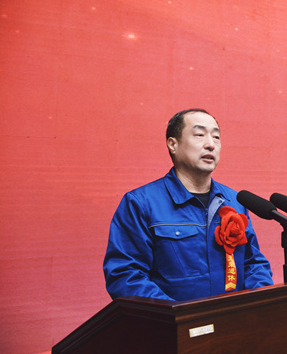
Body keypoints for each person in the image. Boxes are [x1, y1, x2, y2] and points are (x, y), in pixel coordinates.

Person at [103, 108, 273, 301]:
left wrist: (257, 306)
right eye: (199, 135)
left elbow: (253, 264)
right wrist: (180, 315)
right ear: (173, 144)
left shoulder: (235, 201)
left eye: (216, 137)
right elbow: (126, 277)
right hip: (173, 319)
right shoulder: (141, 203)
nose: (211, 144)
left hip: (233, 318)